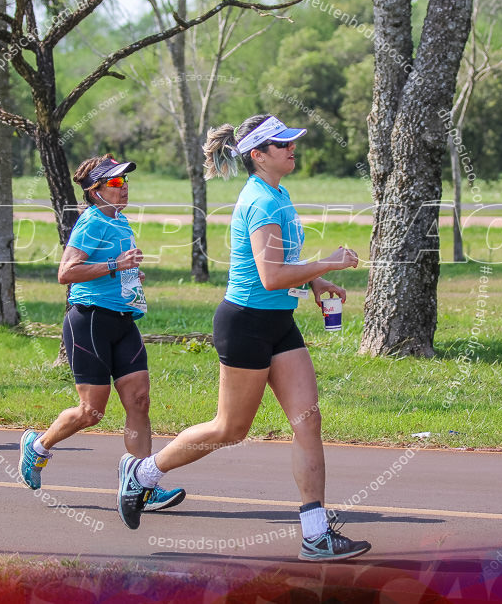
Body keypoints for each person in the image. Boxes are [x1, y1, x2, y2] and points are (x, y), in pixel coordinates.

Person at [115, 115, 371, 562]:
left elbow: (282, 261)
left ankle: (315, 534)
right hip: (246, 323)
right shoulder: (260, 201)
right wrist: (327, 264)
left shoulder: (279, 193)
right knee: (229, 429)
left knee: (307, 420)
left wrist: (314, 284)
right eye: (282, 144)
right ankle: (143, 473)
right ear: (258, 155)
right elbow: (270, 276)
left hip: (279, 324)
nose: (292, 148)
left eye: (292, 142)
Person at [18, 155, 186, 512]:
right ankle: (37, 446)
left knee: (139, 400)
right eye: (114, 183)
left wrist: (129, 276)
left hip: (123, 320)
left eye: (124, 182)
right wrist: (115, 266)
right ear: (95, 192)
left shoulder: (121, 222)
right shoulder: (90, 222)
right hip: (90, 320)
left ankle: (143, 482)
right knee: (92, 411)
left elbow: (115, 269)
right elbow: (66, 273)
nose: (123, 188)